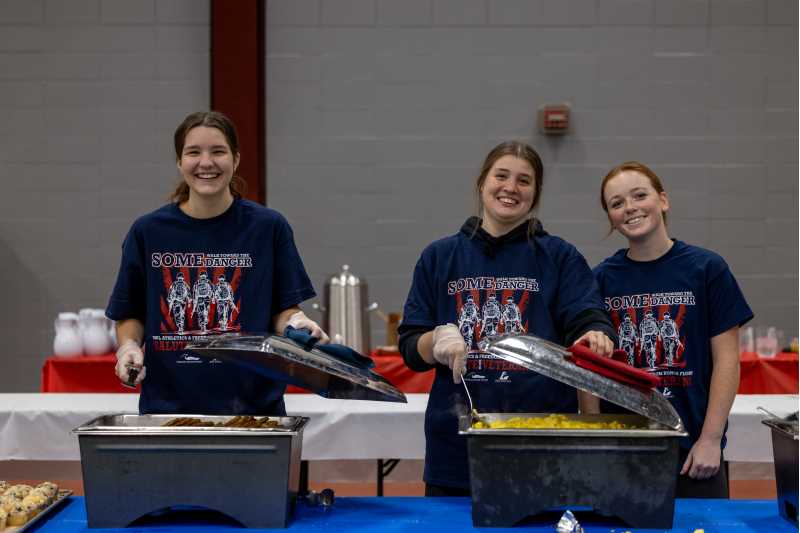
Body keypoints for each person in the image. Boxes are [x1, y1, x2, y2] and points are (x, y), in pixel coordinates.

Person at [398, 141, 616, 496]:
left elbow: (588, 317)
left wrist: (594, 334)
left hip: (541, 442)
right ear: (482, 182)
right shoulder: (439, 257)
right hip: (456, 445)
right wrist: (435, 341)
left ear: (535, 193)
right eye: (502, 176)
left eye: (524, 181)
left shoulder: (559, 256)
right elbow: (410, 347)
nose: (511, 188)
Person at [107, 111, 328, 415]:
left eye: (218, 151)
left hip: (255, 411)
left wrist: (297, 323)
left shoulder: (268, 228)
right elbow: (130, 313)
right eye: (193, 152)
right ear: (179, 162)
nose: (206, 162)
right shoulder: (148, 232)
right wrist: (129, 347)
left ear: (235, 159)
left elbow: (281, 310)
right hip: (168, 409)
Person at [593, 161, 753, 498]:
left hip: (694, 455)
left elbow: (727, 361)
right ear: (610, 216)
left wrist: (710, 440)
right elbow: (588, 369)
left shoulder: (707, 269)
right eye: (617, 203)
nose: (630, 208)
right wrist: (596, 442)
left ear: (662, 200)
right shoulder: (602, 279)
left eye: (639, 195)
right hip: (625, 456)